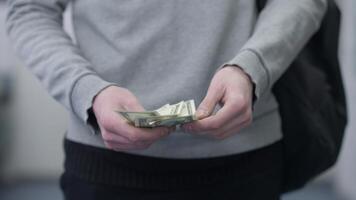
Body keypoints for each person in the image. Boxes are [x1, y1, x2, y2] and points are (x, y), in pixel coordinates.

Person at [6, 0, 327, 199]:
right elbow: (28, 9)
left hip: (243, 160)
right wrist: (87, 90)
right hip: (105, 164)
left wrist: (252, 68)